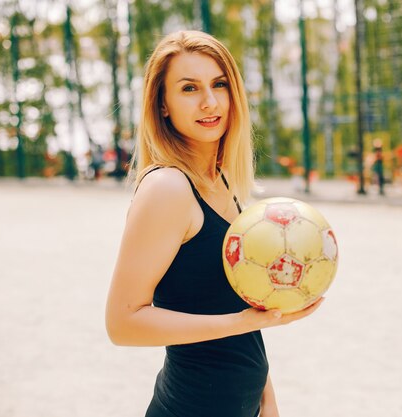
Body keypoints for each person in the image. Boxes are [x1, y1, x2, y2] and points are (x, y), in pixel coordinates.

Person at [104, 30, 323, 417]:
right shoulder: (168, 187)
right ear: (163, 106)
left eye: (219, 84)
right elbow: (122, 324)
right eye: (189, 88)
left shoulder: (224, 182)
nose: (209, 102)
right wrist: (243, 321)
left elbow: (237, 312)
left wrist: (267, 400)